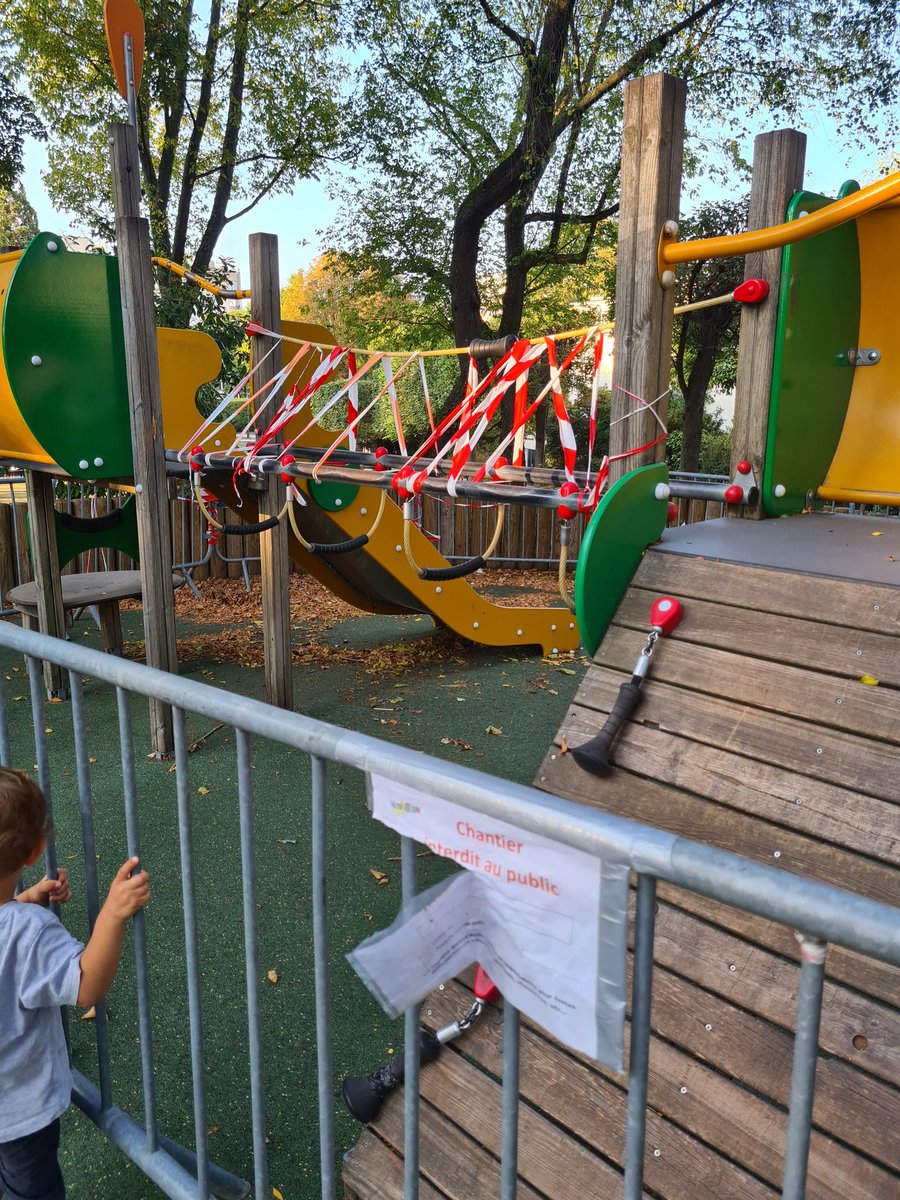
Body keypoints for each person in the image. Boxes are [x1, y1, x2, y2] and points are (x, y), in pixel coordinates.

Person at [0, 767, 150, 1200]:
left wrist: (24, 900)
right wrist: (112, 914)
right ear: (36, 851)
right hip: (19, 1114)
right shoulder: (27, 933)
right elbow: (85, 984)